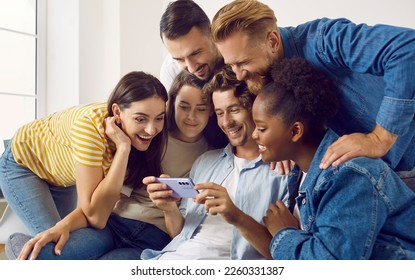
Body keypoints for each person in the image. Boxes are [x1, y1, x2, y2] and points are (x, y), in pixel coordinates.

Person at [211, 0, 415, 188]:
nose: (238, 74)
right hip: (370, 182)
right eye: (232, 65)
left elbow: (407, 50)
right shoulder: (262, 75)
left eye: (244, 62)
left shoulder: (323, 40)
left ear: (273, 41)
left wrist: (379, 138)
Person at [252, 57, 415, 259]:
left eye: (261, 128)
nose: (254, 136)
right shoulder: (300, 172)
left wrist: (283, 233)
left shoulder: (350, 173)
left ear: (295, 131)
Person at [2, 71, 172, 260]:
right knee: (56, 247)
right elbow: (95, 216)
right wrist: (123, 148)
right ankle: (21, 253)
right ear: (117, 112)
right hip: (24, 166)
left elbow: (96, 215)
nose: (151, 129)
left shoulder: (138, 138)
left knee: (65, 235)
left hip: (62, 179)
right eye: (140, 119)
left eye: (159, 118)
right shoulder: (90, 128)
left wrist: (123, 149)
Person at [142, 66, 288, 260]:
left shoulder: (282, 171)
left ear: (255, 108)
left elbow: (284, 256)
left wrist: (235, 215)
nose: (226, 122)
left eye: (234, 110)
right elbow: (180, 235)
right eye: (219, 113)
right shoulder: (205, 162)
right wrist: (169, 208)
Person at [159, 0, 224, 91]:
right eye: (180, 60)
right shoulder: (171, 69)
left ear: (212, 34)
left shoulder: (237, 52)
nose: (191, 68)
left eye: (195, 53)